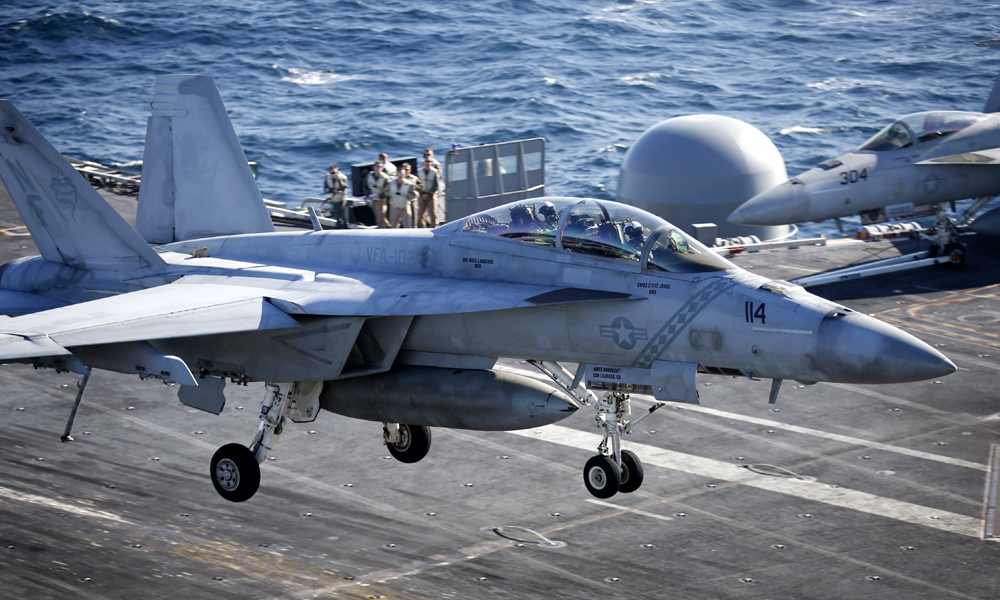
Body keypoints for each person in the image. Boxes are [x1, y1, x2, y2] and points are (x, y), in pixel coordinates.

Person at [417, 158, 442, 227]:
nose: (427, 163)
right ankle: (422, 230)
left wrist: (429, 194)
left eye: (429, 161)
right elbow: (417, 184)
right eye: (426, 161)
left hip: (431, 195)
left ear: (431, 163)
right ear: (424, 162)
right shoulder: (419, 172)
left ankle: (435, 228)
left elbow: (436, 185)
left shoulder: (435, 172)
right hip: (422, 195)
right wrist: (422, 193)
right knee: (421, 214)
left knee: (433, 213)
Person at [366, 163, 390, 228]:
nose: (378, 168)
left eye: (380, 166)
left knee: (381, 217)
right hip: (373, 198)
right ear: (374, 167)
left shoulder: (385, 177)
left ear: (382, 168)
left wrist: (381, 196)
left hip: (381, 199)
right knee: (377, 215)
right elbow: (364, 186)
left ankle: (382, 229)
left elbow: (388, 190)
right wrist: (368, 194)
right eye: (377, 166)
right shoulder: (369, 175)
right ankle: (388, 227)